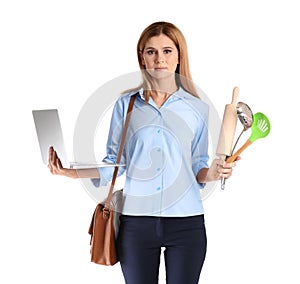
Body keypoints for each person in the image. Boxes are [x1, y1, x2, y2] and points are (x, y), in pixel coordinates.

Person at [48, 21, 239, 284]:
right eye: (151, 51)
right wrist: (71, 173)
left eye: (167, 51)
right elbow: (115, 163)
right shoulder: (125, 105)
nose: (159, 58)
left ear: (179, 56)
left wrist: (215, 172)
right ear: (142, 57)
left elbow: (198, 167)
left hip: (187, 222)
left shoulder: (197, 108)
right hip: (136, 223)